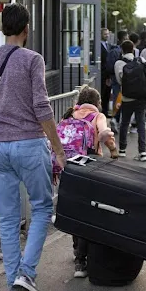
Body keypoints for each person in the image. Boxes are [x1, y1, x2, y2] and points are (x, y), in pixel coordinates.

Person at [0, 3, 66, 291]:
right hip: (29, 145)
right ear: (26, 29)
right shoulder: (33, 60)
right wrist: (58, 149)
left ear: (2, 28)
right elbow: (41, 107)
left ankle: (13, 287)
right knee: (42, 209)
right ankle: (26, 275)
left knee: (7, 220)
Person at [53, 86, 118, 278]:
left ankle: (77, 255)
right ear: (97, 103)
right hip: (90, 167)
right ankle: (83, 258)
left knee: (76, 210)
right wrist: (113, 150)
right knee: (90, 212)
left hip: (69, 168)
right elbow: (105, 134)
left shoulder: (70, 114)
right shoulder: (97, 116)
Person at [115, 40, 146, 161]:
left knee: (124, 123)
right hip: (141, 97)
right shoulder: (141, 60)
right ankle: (143, 152)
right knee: (141, 124)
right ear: (133, 49)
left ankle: (122, 150)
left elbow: (119, 81)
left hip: (126, 97)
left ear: (122, 50)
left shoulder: (119, 63)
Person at [107, 30, 130, 133]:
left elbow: (109, 66)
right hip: (123, 81)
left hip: (115, 80)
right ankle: (117, 120)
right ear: (124, 38)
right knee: (122, 101)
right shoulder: (121, 52)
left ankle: (115, 119)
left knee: (117, 100)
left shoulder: (113, 51)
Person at [100, 28, 112, 118]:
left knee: (107, 93)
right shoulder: (98, 46)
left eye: (107, 34)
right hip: (101, 73)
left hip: (107, 74)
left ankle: (105, 111)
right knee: (102, 92)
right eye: (105, 34)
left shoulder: (109, 45)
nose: (107, 36)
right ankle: (101, 111)